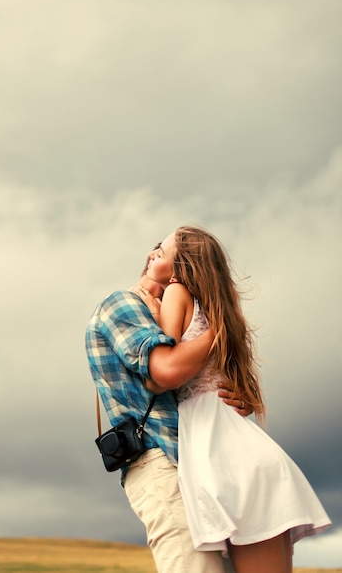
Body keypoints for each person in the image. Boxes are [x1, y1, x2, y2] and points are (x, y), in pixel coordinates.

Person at [137, 225, 331, 573]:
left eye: (161, 251)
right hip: (231, 444)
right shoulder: (216, 311)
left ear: (183, 266)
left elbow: (159, 374)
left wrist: (152, 306)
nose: (153, 254)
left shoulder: (176, 292)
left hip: (222, 451)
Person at [86, 242, 250, 573]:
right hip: (162, 460)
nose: (151, 253)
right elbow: (165, 373)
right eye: (157, 249)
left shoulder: (172, 323)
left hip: (195, 465)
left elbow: (189, 384)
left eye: (163, 250)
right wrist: (220, 330)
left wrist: (230, 397)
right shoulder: (123, 304)